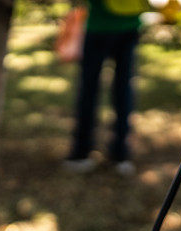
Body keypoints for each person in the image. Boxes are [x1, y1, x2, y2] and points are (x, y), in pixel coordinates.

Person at [63, 0, 145, 176]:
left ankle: (81, 152)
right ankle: (121, 154)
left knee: (89, 91)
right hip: (130, 24)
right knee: (123, 90)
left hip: (99, 26)